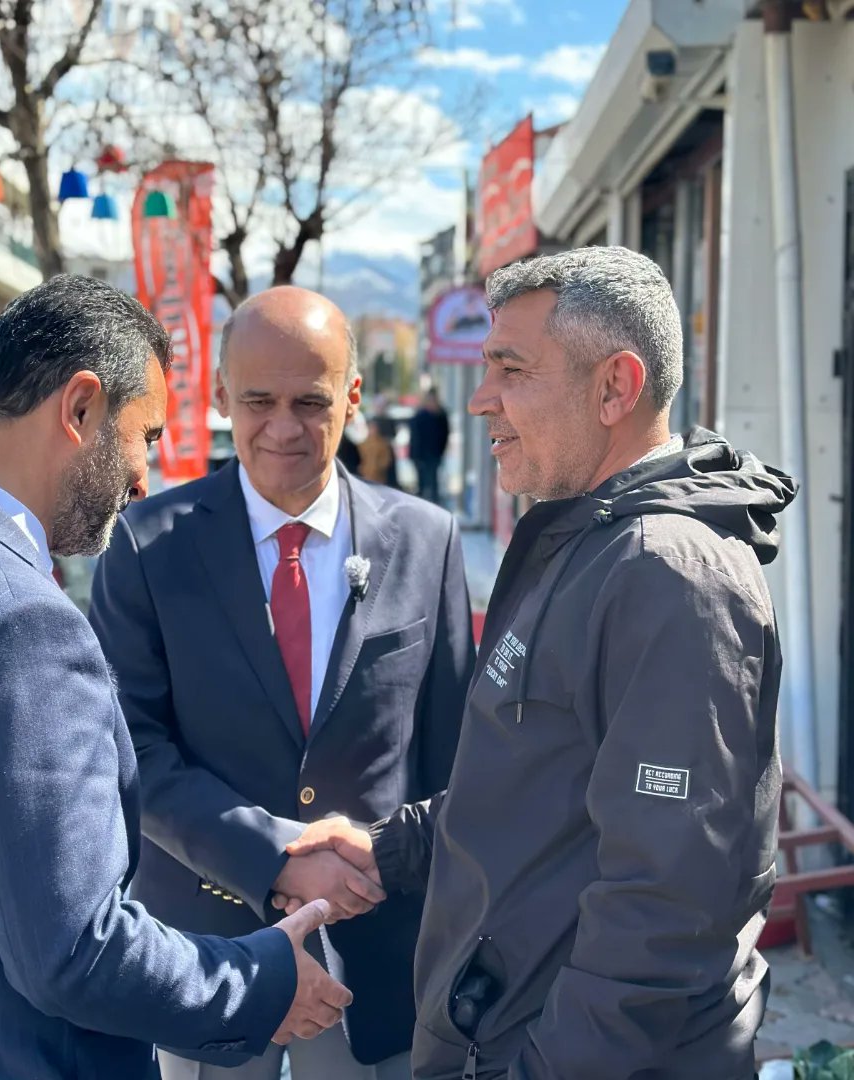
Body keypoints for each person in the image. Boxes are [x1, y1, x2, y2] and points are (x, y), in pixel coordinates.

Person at [0, 275, 351, 1079]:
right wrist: (260, 981)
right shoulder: (20, 622)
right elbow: (74, 951)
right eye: (145, 436)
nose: (145, 479)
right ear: (80, 408)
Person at [280, 247, 797, 1079]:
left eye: (511, 370)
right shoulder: (584, 537)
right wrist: (394, 846)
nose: (480, 398)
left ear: (614, 389)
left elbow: (662, 908)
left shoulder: (666, 576)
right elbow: (537, 785)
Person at [89, 285, 473, 1080]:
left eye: (312, 400)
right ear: (222, 395)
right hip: (212, 945)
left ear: (354, 397)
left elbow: (455, 759)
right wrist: (276, 858)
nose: (285, 427)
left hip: (381, 949)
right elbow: (133, 753)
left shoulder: (426, 541)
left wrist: (393, 867)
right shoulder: (146, 545)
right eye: (259, 400)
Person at [408, 387, 449, 503]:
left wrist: (440, 452)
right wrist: (415, 456)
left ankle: (434, 505)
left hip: (434, 455)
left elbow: (445, 435)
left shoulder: (441, 415)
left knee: (433, 482)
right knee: (421, 484)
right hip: (420, 455)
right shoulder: (420, 416)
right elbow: (415, 438)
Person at [356, 415, 398, 488]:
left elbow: (386, 459)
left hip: (379, 477)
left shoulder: (383, 443)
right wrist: (362, 467)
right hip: (365, 475)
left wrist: (379, 467)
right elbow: (359, 458)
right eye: (371, 427)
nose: (372, 430)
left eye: (374, 428)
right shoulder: (363, 444)